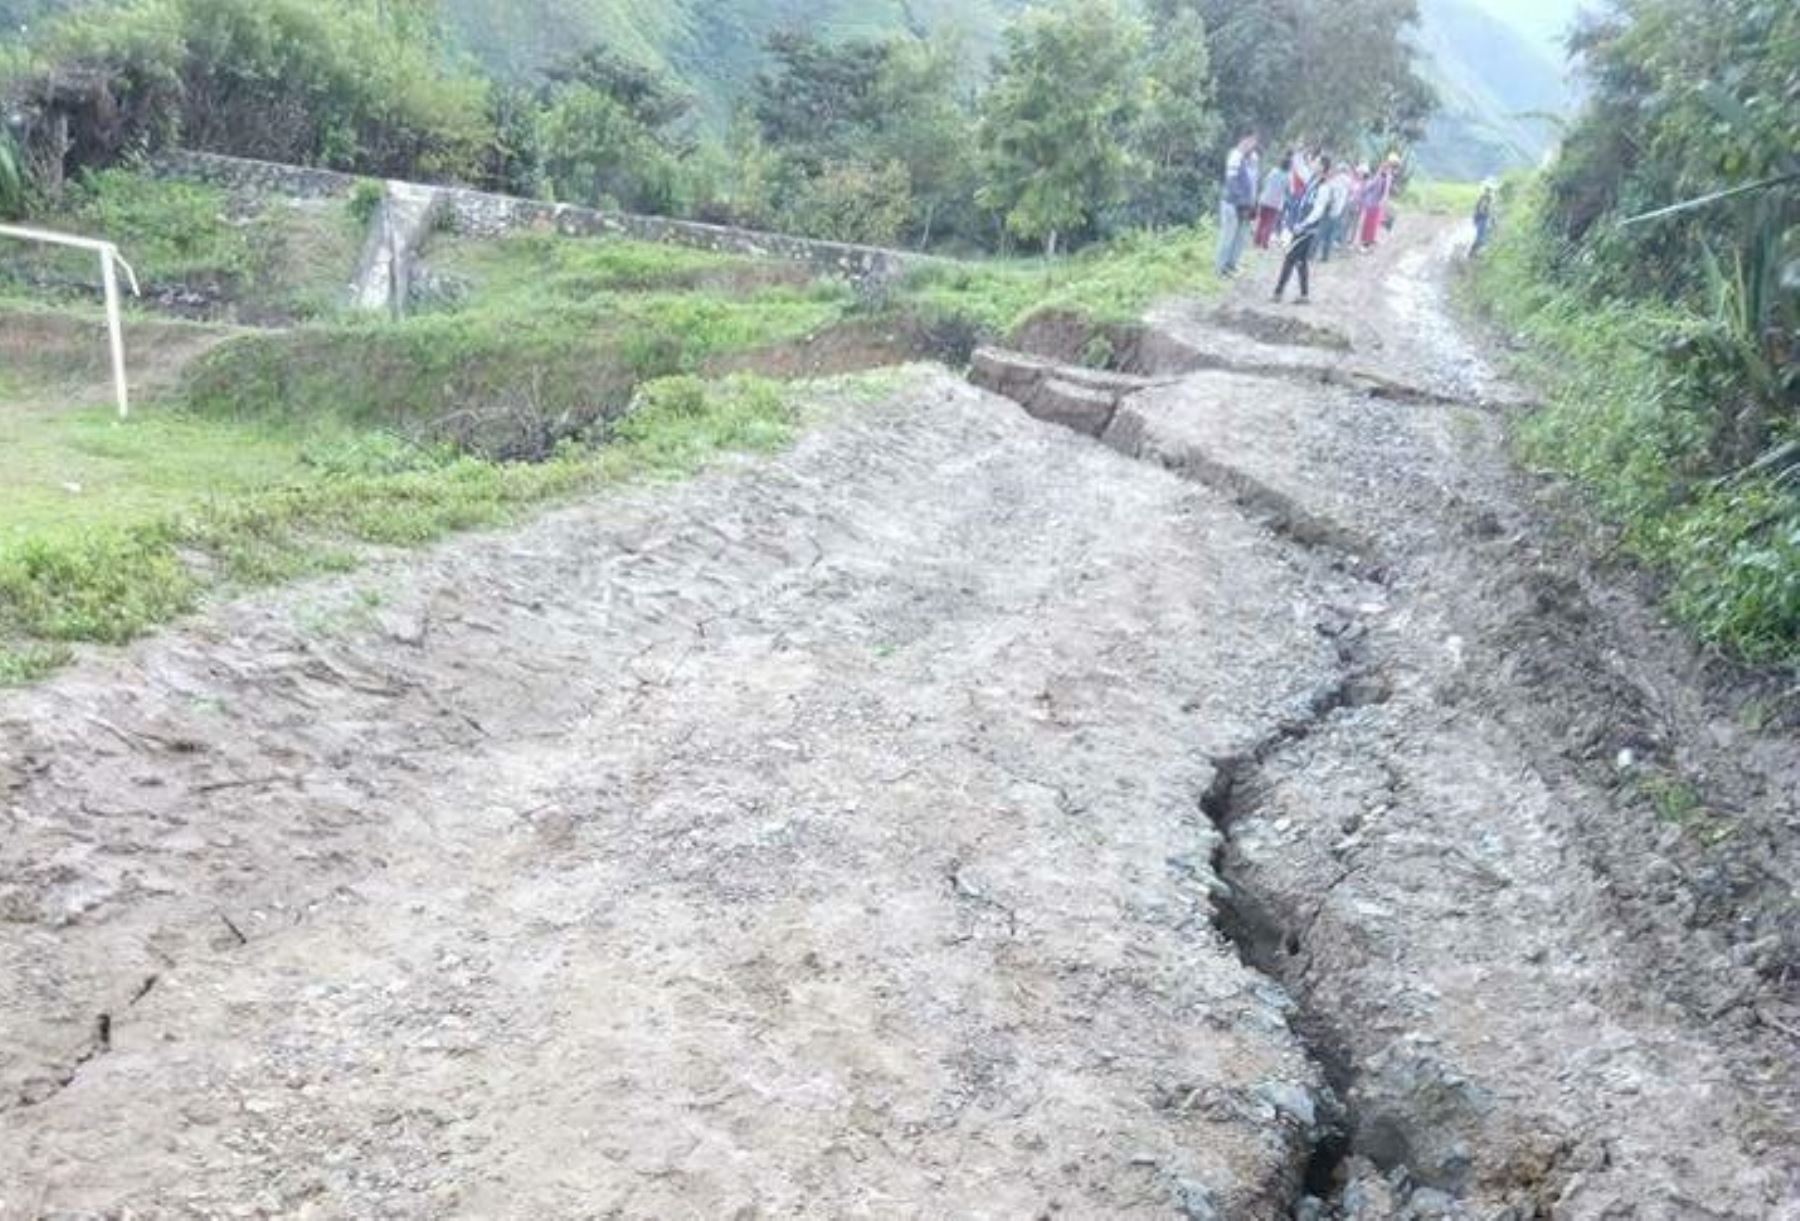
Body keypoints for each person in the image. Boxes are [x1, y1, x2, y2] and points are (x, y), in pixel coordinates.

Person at [1273, 156, 1332, 305]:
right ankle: (1304, 295)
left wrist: (1304, 223)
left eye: (1317, 162)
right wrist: (1296, 153)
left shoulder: (1324, 187)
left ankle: (1278, 292)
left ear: (1323, 167)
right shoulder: (1312, 180)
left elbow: (1318, 210)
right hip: (1303, 226)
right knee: (1301, 261)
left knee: (1290, 257)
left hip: (1307, 229)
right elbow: (1299, 167)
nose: (1313, 164)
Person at [1216, 132, 1259, 277]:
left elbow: (1252, 183)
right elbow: (1231, 182)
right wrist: (1242, 202)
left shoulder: (1248, 158)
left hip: (1243, 205)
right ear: (1244, 140)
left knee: (1238, 237)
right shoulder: (1235, 156)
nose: (1253, 146)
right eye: (1251, 142)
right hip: (1232, 204)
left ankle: (1230, 265)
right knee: (1227, 237)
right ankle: (1220, 268)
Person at [1318, 161, 1353, 263]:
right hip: (1340, 209)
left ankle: (1312, 252)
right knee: (1331, 234)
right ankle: (1325, 256)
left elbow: (1330, 191)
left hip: (1331, 208)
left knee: (1321, 231)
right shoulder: (1348, 182)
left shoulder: (1337, 180)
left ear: (1341, 170)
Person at [1359, 157, 1396, 250]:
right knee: (1369, 224)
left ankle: (1369, 241)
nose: (1388, 170)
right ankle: (1365, 243)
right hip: (1373, 203)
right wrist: (1363, 192)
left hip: (1378, 204)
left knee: (1374, 224)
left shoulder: (1387, 178)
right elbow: (1370, 187)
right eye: (1386, 168)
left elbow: (1385, 191)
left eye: (1388, 168)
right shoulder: (1379, 177)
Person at [1255, 155, 1290, 250]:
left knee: (1261, 221)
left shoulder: (1273, 171)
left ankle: (1257, 240)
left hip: (1265, 199)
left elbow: (1265, 181)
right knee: (1269, 223)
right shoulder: (1287, 177)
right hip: (1276, 203)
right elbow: (1288, 190)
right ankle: (1264, 242)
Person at [1471, 180, 1497, 257]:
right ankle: (1474, 254)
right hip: (1482, 218)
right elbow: (1482, 209)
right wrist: (1490, 217)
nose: (1489, 192)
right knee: (1481, 237)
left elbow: (1480, 209)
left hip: (1480, 218)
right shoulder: (1486, 198)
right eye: (1489, 190)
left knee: (1481, 236)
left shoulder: (1483, 197)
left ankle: (1473, 253)